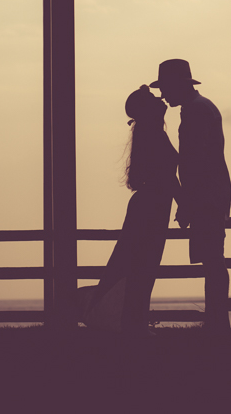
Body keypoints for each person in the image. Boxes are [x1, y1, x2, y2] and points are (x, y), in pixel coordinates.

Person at [84, 85, 179, 335]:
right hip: (152, 208)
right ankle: (130, 321)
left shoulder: (151, 133)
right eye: (152, 98)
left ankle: (129, 320)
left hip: (151, 205)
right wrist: (183, 203)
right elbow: (168, 177)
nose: (160, 99)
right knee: (142, 264)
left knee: (140, 263)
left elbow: (168, 177)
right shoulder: (154, 135)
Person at [150, 59, 231, 332]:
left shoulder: (195, 112)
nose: (163, 95)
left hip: (206, 194)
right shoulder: (200, 108)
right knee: (213, 257)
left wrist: (187, 201)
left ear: (176, 86)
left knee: (212, 259)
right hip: (211, 192)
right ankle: (217, 319)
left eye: (165, 88)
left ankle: (217, 321)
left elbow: (196, 162)